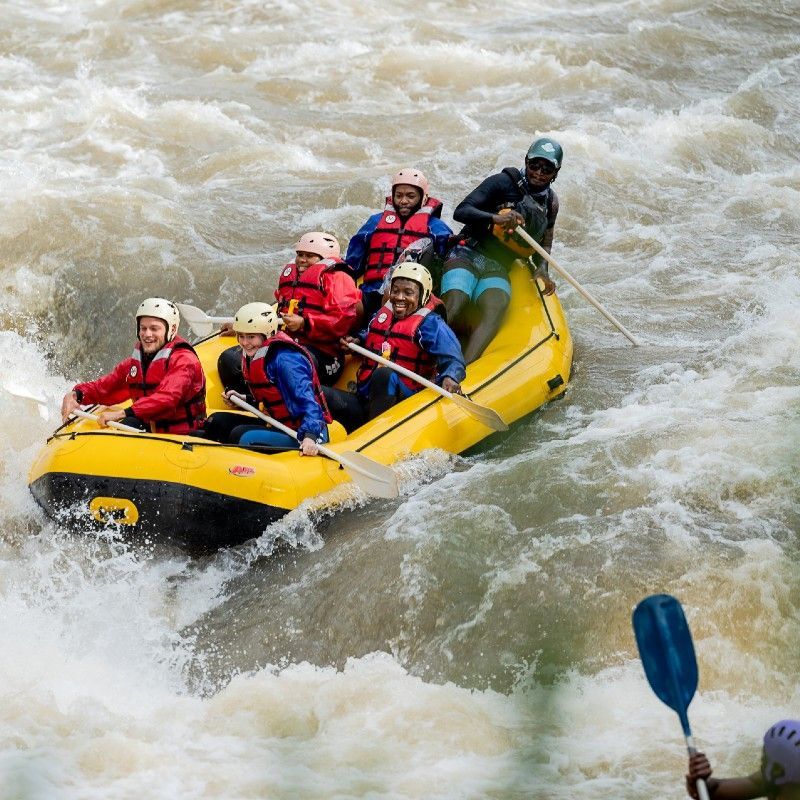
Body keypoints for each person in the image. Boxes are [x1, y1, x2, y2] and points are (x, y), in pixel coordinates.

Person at [440, 136, 563, 363]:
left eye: (546, 169)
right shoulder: (502, 182)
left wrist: (543, 267)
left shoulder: (551, 203)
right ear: (526, 161)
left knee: (496, 307)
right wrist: (494, 218)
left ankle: (462, 369)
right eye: (534, 164)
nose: (538, 172)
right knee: (456, 300)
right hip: (468, 252)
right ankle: (423, 360)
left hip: (498, 266)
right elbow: (461, 211)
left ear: (555, 173)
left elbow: (545, 240)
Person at [324, 262, 465, 432]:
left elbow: (453, 358)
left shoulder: (431, 324)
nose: (399, 297)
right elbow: (372, 333)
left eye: (408, 293)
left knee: (384, 374)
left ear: (423, 295)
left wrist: (450, 376)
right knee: (322, 393)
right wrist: (358, 340)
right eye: (395, 290)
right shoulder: (385, 313)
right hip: (367, 399)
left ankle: (374, 434)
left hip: (404, 402)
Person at [60, 298, 206, 433]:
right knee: (130, 423)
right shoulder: (136, 364)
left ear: (172, 330)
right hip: (151, 431)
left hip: (184, 437)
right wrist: (76, 394)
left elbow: (167, 398)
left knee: (129, 420)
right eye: (143, 328)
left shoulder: (185, 361)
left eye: (154, 329)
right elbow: (104, 387)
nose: (147, 334)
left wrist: (122, 413)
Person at [203, 303, 330, 454]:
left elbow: (310, 404)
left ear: (267, 334)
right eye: (241, 336)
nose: (244, 343)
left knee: (241, 436)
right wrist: (243, 399)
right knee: (215, 422)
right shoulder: (254, 354)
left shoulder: (287, 360)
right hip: (277, 424)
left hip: (305, 433)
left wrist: (310, 436)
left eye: (251, 337)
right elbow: (273, 399)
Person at [344, 168, 453, 322]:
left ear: (423, 198)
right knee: (350, 307)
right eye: (399, 195)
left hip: (407, 295)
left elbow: (449, 257)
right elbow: (353, 262)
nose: (403, 201)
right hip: (371, 289)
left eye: (410, 196)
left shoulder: (435, 227)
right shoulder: (375, 222)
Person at [274, 231, 361, 385]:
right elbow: (277, 312)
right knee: (230, 359)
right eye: (300, 254)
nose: (302, 260)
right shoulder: (292, 277)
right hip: (289, 343)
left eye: (309, 256)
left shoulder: (338, 278)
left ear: (324, 259)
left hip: (325, 355)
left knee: (290, 363)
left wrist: (304, 323)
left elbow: (342, 321)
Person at [686, 719, 800, 800]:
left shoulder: (776, 778)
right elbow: (716, 791)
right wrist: (701, 784)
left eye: (764, 757)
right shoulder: (776, 779)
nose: (761, 762)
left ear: (776, 771)